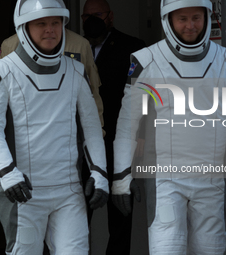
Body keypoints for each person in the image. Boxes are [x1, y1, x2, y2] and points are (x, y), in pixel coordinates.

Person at [112, 0, 226, 254]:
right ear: (168, 20)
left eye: (196, 17)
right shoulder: (147, 61)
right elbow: (127, 123)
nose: (190, 25)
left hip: (211, 182)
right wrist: (121, 177)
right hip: (167, 182)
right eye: (182, 19)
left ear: (207, 16)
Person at [0, 0, 109, 254]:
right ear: (24, 28)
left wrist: (99, 173)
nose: (50, 29)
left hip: (68, 190)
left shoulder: (75, 70)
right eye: (41, 24)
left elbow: (91, 127)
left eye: (55, 23)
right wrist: (7, 172)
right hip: (23, 190)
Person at [81, 0, 146, 254]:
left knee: (120, 214)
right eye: (86, 16)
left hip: (119, 143)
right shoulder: (72, 46)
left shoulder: (133, 48)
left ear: (110, 16)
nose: (91, 20)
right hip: (82, 145)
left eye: (96, 15)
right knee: (77, 213)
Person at [0, 22, 105, 132]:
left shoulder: (80, 44)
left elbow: (92, 93)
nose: (49, 29)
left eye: (55, 21)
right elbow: (0, 98)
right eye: (42, 22)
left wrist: (97, 133)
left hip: (69, 128)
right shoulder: (11, 44)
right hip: (27, 128)